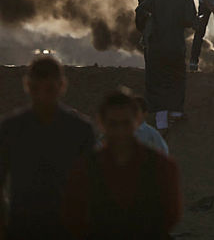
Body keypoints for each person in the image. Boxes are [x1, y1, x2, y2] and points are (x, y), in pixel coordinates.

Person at [63, 89, 181, 239]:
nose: (120, 131)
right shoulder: (85, 168)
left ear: (136, 121)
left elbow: (170, 212)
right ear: (101, 123)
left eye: (126, 123)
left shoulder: (160, 164)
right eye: (113, 124)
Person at [0, 57, 95, 240]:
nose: (42, 96)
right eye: (37, 89)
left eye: (49, 89)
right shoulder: (79, 129)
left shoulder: (11, 127)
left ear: (62, 86)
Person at [135, 0, 198, 132]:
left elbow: (140, 10)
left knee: (157, 80)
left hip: (157, 46)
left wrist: (145, 28)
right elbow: (190, 21)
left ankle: (161, 118)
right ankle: (176, 113)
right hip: (176, 46)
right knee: (177, 78)